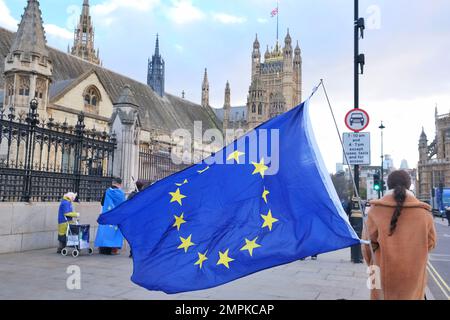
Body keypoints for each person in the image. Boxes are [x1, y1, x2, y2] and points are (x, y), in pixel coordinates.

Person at [362, 170, 437, 300]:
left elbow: (366, 246)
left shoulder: (375, 211)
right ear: (409, 186)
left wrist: (372, 266)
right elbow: (430, 243)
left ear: (388, 185)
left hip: (380, 275)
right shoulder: (425, 214)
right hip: (413, 277)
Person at [95, 177, 126, 255]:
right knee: (115, 232)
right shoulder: (121, 193)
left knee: (105, 231)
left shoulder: (107, 191)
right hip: (116, 216)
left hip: (107, 214)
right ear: (119, 184)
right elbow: (123, 205)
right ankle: (114, 249)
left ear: (113, 183)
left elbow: (102, 203)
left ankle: (103, 248)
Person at [126, 180, 146, 258]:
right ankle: (135, 252)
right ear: (142, 186)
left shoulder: (136, 195)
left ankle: (133, 252)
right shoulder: (142, 195)